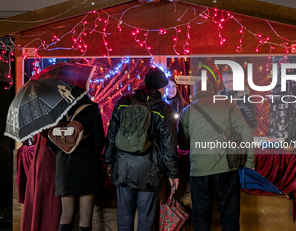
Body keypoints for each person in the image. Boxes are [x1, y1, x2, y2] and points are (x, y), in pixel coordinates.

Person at [105, 67, 179, 231]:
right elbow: (169, 144)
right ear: (160, 88)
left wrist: (109, 162)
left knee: (124, 219)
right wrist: (173, 173)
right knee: (146, 221)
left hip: (123, 167)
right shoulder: (163, 109)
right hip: (149, 171)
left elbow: (111, 136)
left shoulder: (123, 101)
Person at [178, 80, 254, 231]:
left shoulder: (186, 111)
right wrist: (250, 162)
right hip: (226, 169)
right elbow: (247, 132)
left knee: (201, 218)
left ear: (195, 92)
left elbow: (183, 144)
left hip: (199, 170)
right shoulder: (227, 104)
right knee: (229, 216)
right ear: (213, 91)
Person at [50, 94, 106, 231]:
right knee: (85, 217)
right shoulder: (92, 109)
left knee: (66, 214)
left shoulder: (59, 110)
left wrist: (65, 150)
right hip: (86, 163)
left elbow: (51, 143)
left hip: (64, 164)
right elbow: (99, 141)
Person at [21, 131, 61, 231]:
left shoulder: (38, 120)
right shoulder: (52, 120)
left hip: (39, 156)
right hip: (49, 156)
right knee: (48, 196)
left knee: (38, 195)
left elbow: (34, 138)